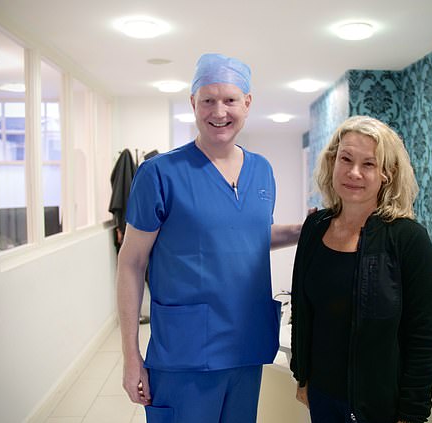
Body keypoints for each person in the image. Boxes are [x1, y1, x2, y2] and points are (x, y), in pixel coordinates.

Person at [116, 53, 301, 423]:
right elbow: (131, 263)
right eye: (208, 100)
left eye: (230, 100)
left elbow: (247, 237)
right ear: (193, 104)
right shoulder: (159, 174)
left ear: (247, 103)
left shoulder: (261, 171)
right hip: (185, 353)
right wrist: (131, 355)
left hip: (245, 346)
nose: (219, 111)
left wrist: (304, 230)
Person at [290, 115, 432, 423]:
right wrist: (303, 376)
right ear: (332, 161)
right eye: (345, 159)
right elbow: (303, 310)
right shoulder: (314, 228)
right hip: (322, 397)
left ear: (387, 173)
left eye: (369, 164)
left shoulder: (408, 239)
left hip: (380, 406)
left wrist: (412, 415)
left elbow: (423, 338)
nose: (354, 173)